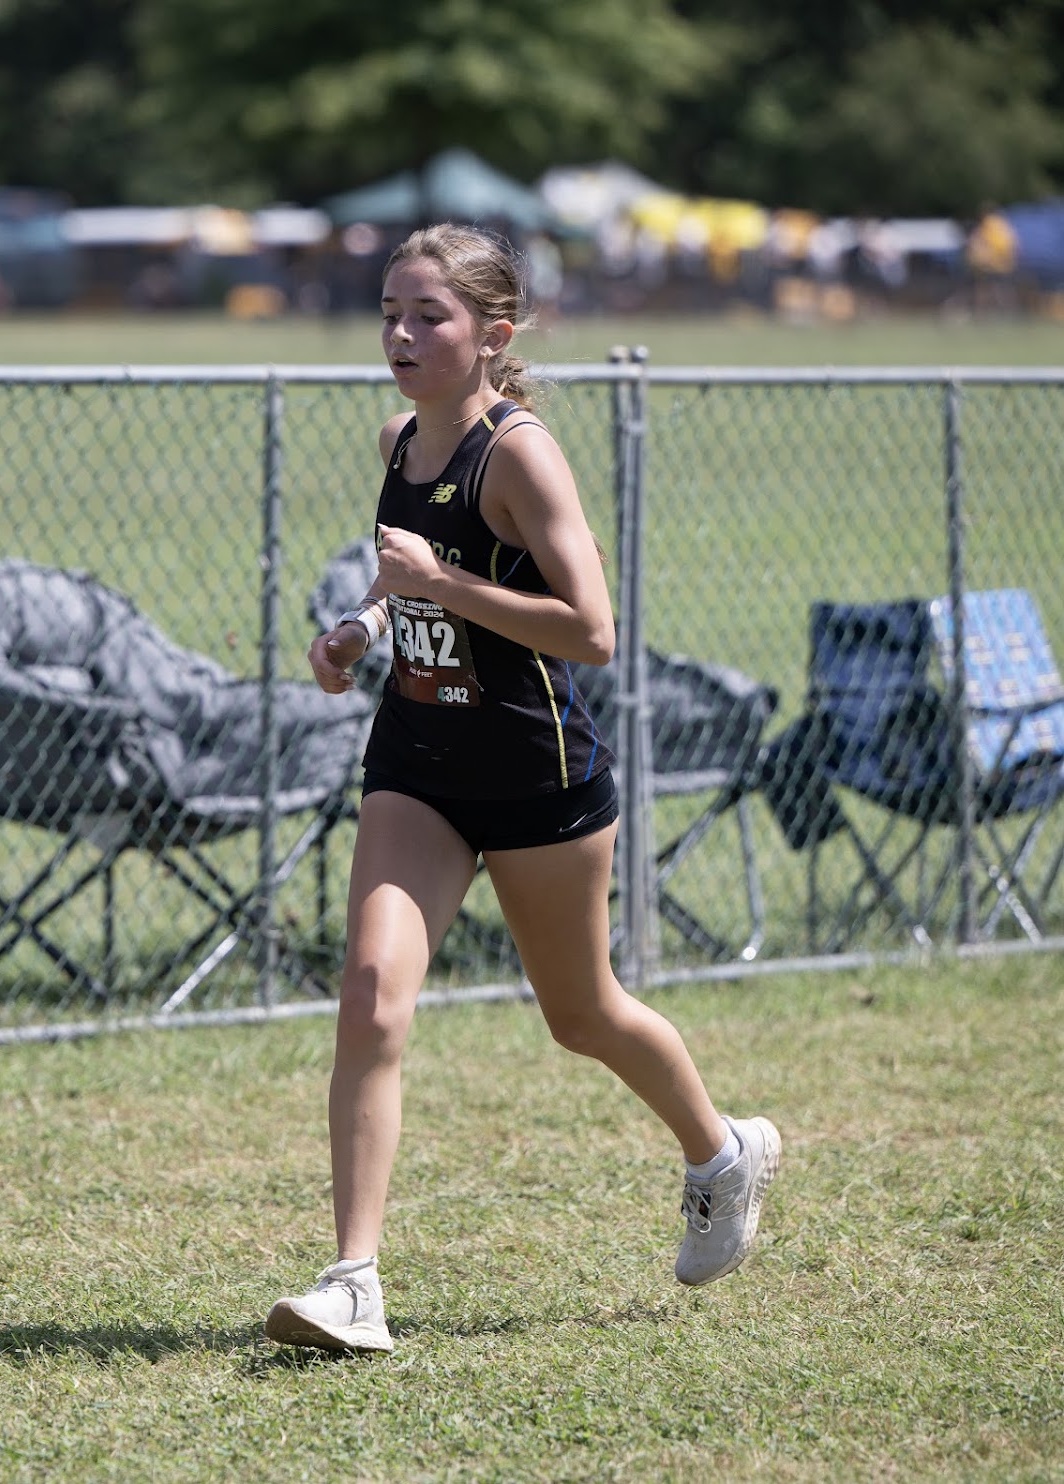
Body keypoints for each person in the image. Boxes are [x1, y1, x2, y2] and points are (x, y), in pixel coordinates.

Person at [263, 224, 780, 1355]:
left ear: (494, 334)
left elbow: (591, 629)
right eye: (390, 313)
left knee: (580, 1013)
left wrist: (441, 582)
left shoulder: (520, 453)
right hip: (419, 760)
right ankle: (353, 1282)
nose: (401, 335)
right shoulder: (400, 439)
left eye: (430, 316)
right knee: (371, 993)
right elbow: (405, 579)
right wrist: (362, 627)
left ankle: (722, 1151)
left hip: (536, 773)